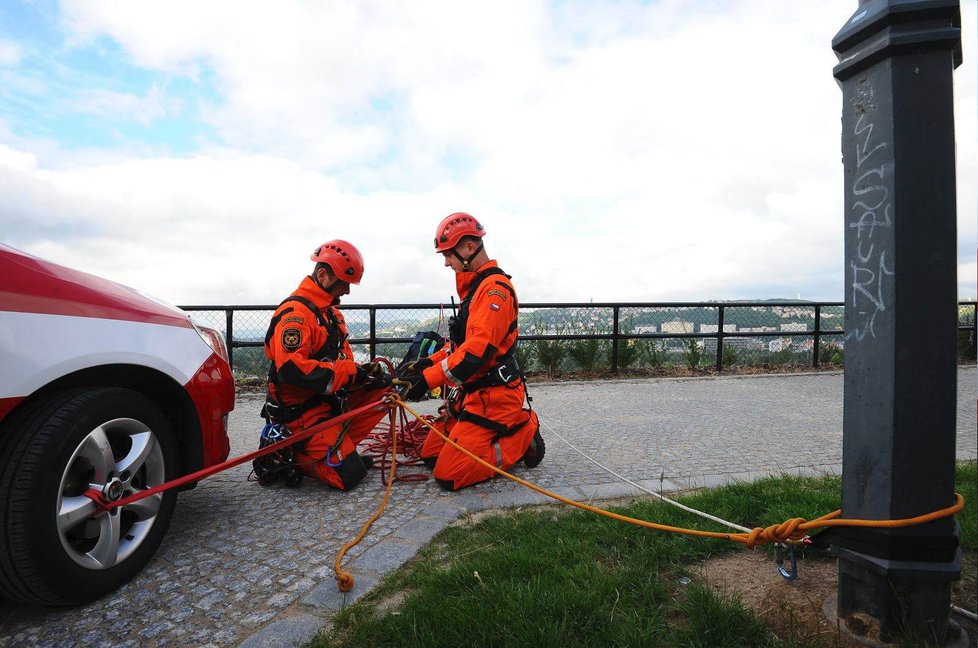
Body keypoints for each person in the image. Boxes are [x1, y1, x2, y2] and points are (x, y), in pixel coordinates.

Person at [405, 212, 545, 491]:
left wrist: (429, 379)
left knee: (449, 475)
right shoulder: (475, 290)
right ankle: (483, 430)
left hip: (495, 397)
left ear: (469, 248)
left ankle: (524, 430)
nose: (446, 262)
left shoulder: (495, 291)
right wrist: (424, 364)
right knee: (430, 454)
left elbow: (475, 355)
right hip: (473, 394)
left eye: (448, 255)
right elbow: (461, 347)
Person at [262, 239, 392, 490]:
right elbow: (292, 371)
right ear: (323, 275)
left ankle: (341, 449)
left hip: (326, 404)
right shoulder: (296, 315)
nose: (347, 291)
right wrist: (348, 374)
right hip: (301, 415)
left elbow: (344, 362)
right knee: (349, 475)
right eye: (344, 283)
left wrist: (364, 375)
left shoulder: (331, 315)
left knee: (386, 389)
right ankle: (292, 456)